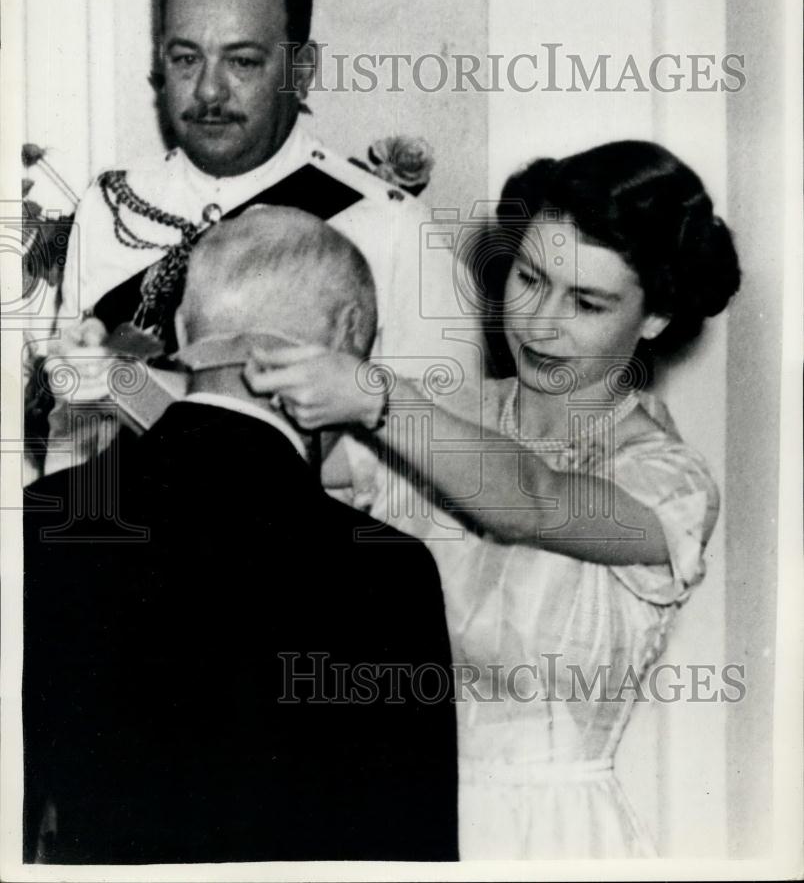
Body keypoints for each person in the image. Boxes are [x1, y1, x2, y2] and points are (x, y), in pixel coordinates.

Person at [242, 140, 741, 858]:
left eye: (587, 303)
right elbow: (250, 467)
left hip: (553, 840)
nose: (541, 324)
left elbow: (530, 499)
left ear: (656, 315)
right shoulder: (445, 416)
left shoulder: (667, 482)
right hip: (398, 811)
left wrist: (374, 395)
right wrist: (120, 382)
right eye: (530, 279)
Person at [23, 209, 458, 864]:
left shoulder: (39, 521)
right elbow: (411, 853)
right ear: (350, 335)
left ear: (176, 329)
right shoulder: (386, 574)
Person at [46, 0, 466, 486]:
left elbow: (436, 458)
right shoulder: (110, 204)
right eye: (185, 58)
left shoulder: (391, 228)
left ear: (301, 69)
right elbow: (72, 430)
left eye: (242, 61)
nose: (209, 90)